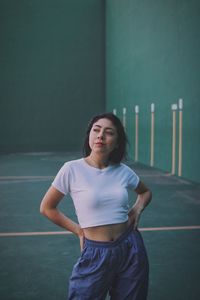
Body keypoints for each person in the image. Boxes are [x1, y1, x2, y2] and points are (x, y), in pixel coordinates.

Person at [40, 112, 152, 300]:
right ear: (90, 136)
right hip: (95, 252)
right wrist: (79, 231)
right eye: (96, 130)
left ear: (117, 142)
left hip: (130, 247)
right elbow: (47, 207)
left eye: (109, 132)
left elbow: (145, 192)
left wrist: (137, 208)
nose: (101, 135)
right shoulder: (71, 169)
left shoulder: (124, 171)